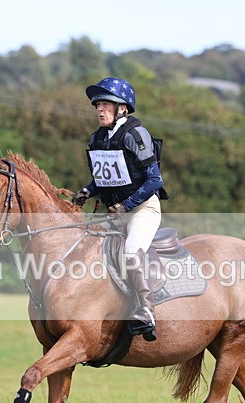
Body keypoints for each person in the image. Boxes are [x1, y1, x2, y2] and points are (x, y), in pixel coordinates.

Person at [74, 77, 167, 341]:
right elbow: (107, 177)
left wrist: (126, 205)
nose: (100, 109)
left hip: (142, 209)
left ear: (122, 108)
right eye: (98, 105)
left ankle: (146, 310)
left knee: (129, 253)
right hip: (116, 213)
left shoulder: (136, 134)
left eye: (106, 104)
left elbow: (155, 180)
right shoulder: (99, 137)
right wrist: (87, 191)